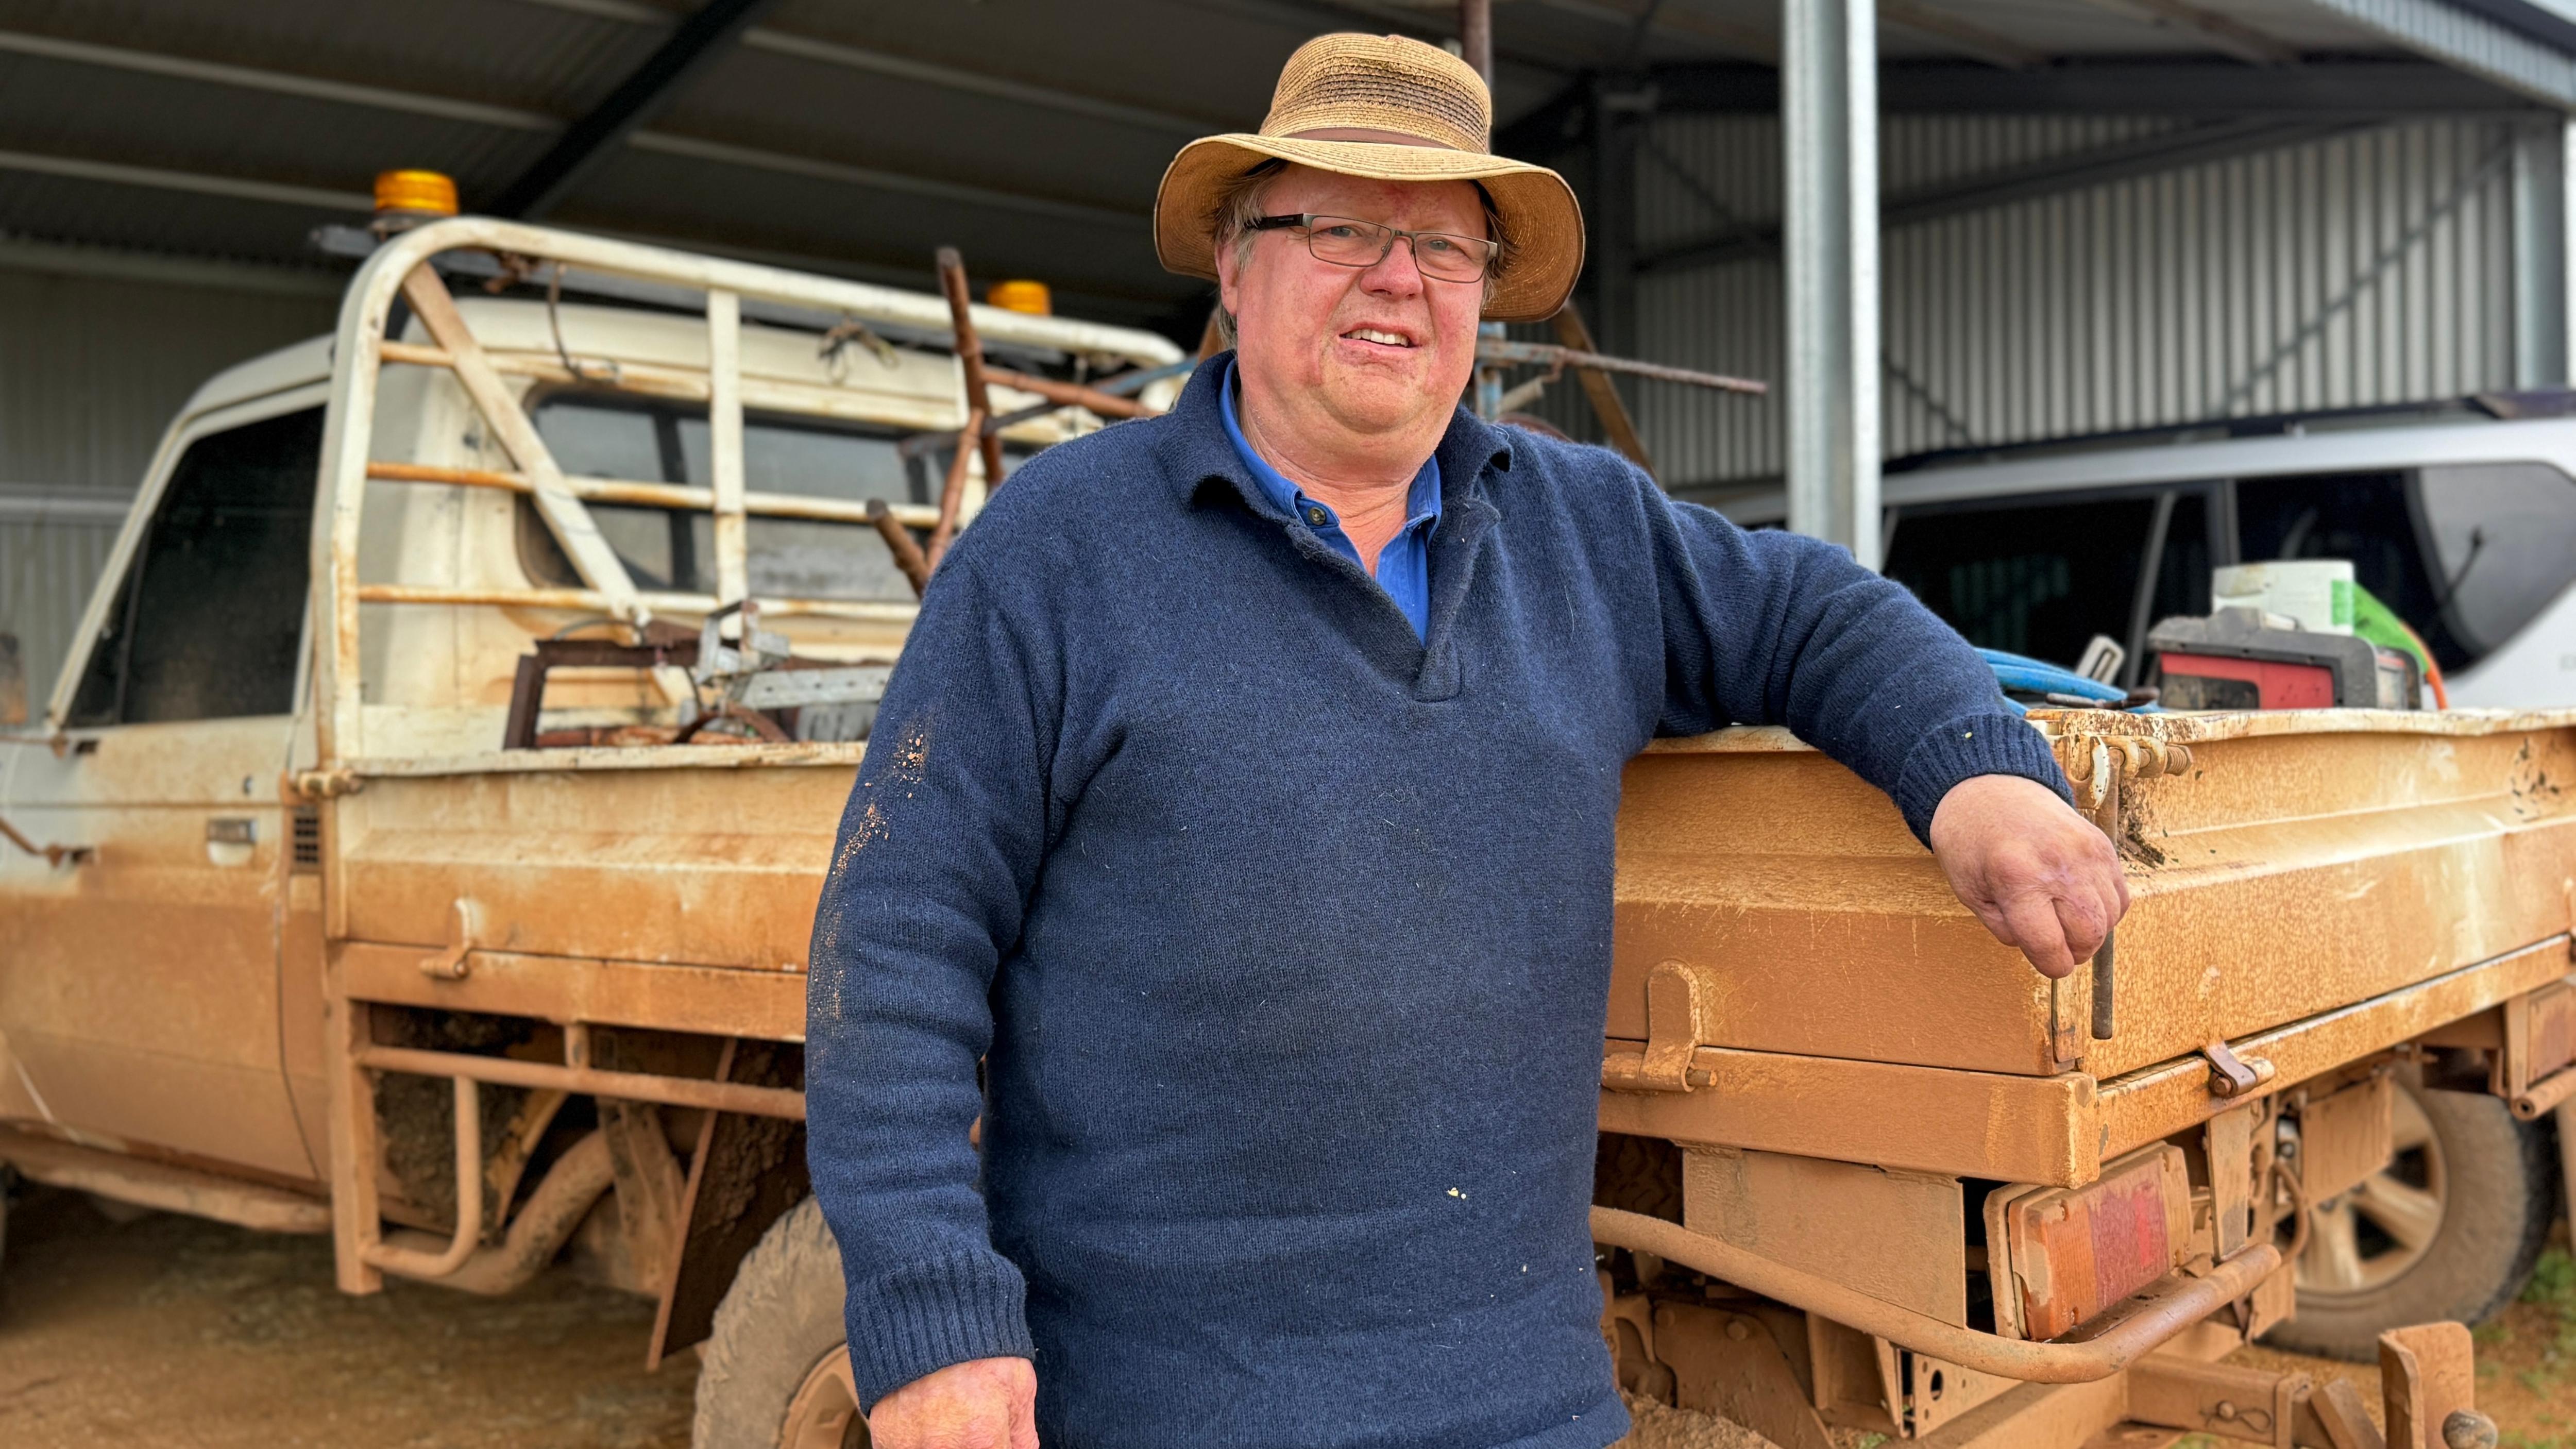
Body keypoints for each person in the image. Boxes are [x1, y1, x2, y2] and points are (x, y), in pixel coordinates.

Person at [805, 31, 2126, 1449]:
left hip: (1532, 1409)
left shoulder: (1582, 529)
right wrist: (933, 1321)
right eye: (1341, 227)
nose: (1398, 277)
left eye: (1448, 247)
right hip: (1162, 1406)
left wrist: (1978, 770)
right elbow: (896, 946)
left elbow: (1807, 609)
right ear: (1236, 267)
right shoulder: (1056, 554)